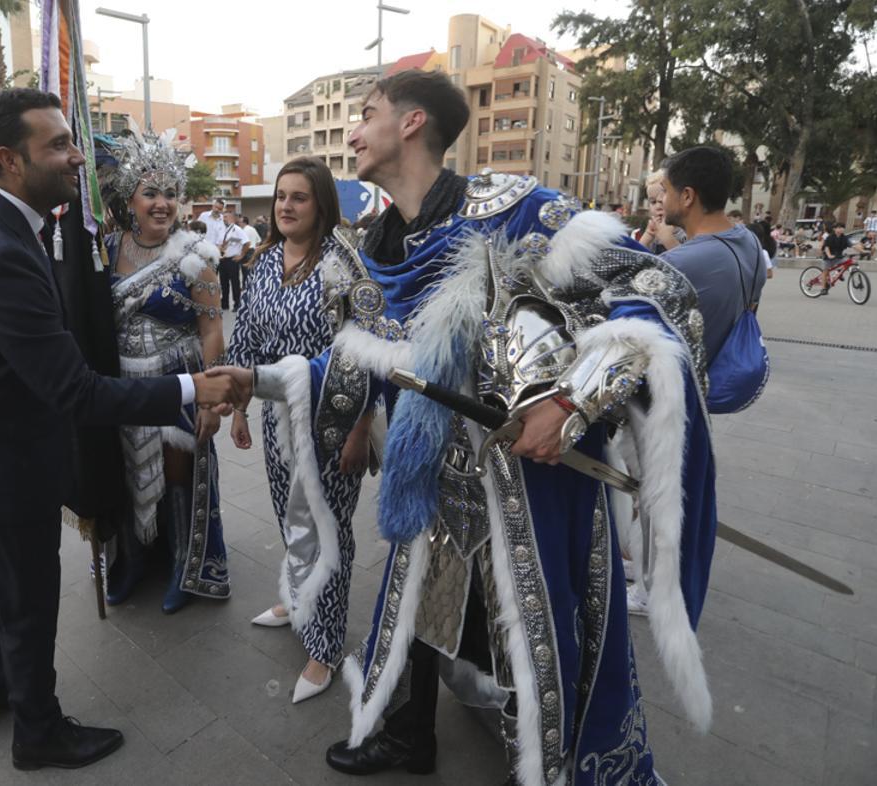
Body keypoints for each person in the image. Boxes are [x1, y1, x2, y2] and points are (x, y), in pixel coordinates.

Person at [211, 69, 718, 785]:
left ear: (412, 124)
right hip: (435, 486)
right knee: (421, 608)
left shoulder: (521, 213)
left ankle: (547, 763)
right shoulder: (369, 253)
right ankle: (409, 738)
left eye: (365, 114)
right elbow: (361, 367)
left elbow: (661, 294)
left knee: (538, 632)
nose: (352, 132)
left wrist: (571, 400)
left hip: (533, 485)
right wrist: (255, 380)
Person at [0, 88, 241, 772]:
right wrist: (193, 389)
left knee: (8, 582)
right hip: (1, 465)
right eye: (59, 145)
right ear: (11, 160)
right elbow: (74, 389)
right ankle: (39, 732)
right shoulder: (4, 249)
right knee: (30, 597)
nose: (76, 158)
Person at [225, 156, 370, 704]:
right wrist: (239, 408)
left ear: (322, 204)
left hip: (331, 424)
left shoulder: (344, 267)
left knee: (329, 530)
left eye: (299, 197)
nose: (285, 205)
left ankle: (325, 645)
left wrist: (361, 428)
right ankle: (294, 595)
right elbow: (248, 339)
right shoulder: (263, 262)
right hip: (274, 417)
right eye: (280, 196)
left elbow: (363, 357)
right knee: (288, 516)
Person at [98, 123, 232, 614]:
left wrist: (215, 398)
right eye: (150, 192)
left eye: (171, 193)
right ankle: (133, 561)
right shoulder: (108, 251)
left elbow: (212, 330)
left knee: (179, 475)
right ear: (129, 199)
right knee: (127, 472)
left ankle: (183, 564)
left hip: (180, 381)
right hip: (122, 384)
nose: (162, 203)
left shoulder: (196, 256)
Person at [659, 146, 767, 359]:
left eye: (665, 190)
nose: (661, 200)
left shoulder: (675, 264)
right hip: (732, 379)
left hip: (691, 387)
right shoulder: (750, 242)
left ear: (687, 196)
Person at [635, 171, 684, 253]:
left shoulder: (684, 232)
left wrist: (668, 238)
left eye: (661, 201)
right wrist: (647, 236)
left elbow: (685, 260)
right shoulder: (652, 233)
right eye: (653, 202)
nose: (658, 207)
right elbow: (637, 257)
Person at [218, 211, 248, 310]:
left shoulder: (237, 229)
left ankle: (237, 304)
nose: (224, 218)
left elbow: (247, 242)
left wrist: (241, 255)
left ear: (232, 218)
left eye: (226, 216)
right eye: (223, 217)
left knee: (235, 283)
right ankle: (225, 304)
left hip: (232, 259)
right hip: (222, 259)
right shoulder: (223, 229)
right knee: (223, 283)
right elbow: (221, 243)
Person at [819, 222, 854, 294]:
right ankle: (823, 288)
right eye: (838, 228)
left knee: (846, 263)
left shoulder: (845, 238)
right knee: (826, 271)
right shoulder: (830, 237)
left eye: (842, 228)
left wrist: (863, 251)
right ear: (834, 229)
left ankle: (839, 274)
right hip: (828, 257)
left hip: (838, 257)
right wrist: (829, 255)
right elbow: (826, 247)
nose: (840, 229)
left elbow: (853, 245)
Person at [238, 214, 261, 280]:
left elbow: (244, 243)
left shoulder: (244, 230)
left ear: (244, 222)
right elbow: (259, 240)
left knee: (245, 271)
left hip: (246, 252)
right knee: (251, 270)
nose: (239, 224)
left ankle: (245, 286)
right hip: (252, 251)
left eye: (240, 222)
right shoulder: (252, 229)